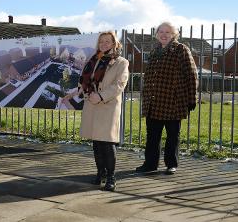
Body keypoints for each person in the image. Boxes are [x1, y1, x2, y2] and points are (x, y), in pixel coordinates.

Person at [68, 31, 129, 191]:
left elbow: (119, 85)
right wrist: (76, 92)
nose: (103, 44)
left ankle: (111, 177)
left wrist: (101, 96)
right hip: (91, 104)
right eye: (101, 41)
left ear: (115, 43)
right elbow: (85, 81)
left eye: (107, 41)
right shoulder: (94, 59)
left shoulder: (121, 63)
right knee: (96, 142)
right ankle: (100, 172)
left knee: (107, 142)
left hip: (107, 105)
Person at [136, 22, 197, 175]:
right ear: (157, 34)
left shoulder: (181, 49)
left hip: (173, 101)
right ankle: (150, 164)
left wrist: (192, 99)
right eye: (161, 32)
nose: (164, 34)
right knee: (152, 137)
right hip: (153, 101)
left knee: (172, 137)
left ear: (174, 34)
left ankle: (171, 164)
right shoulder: (155, 51)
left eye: (168, 32)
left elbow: (192, 75)